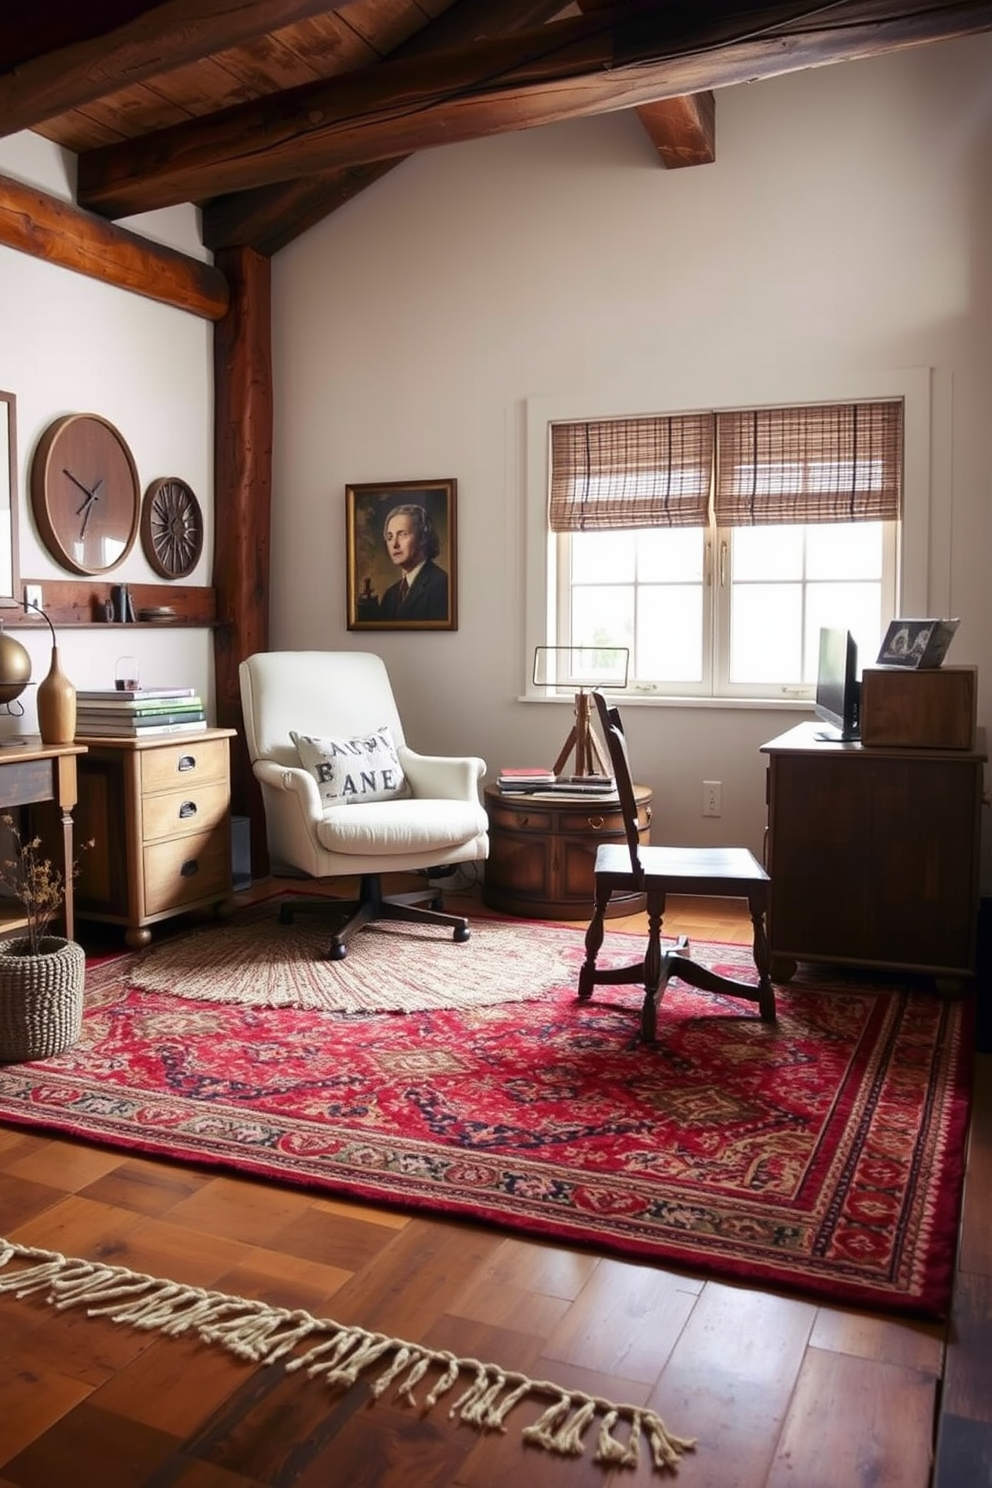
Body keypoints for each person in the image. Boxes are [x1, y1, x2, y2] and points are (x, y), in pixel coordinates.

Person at [376, 503, 449, 622]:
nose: (395, 544)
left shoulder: (442, 586)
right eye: (390, 537)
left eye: (402, 534)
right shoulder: (390, 595)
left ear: (422, 538)